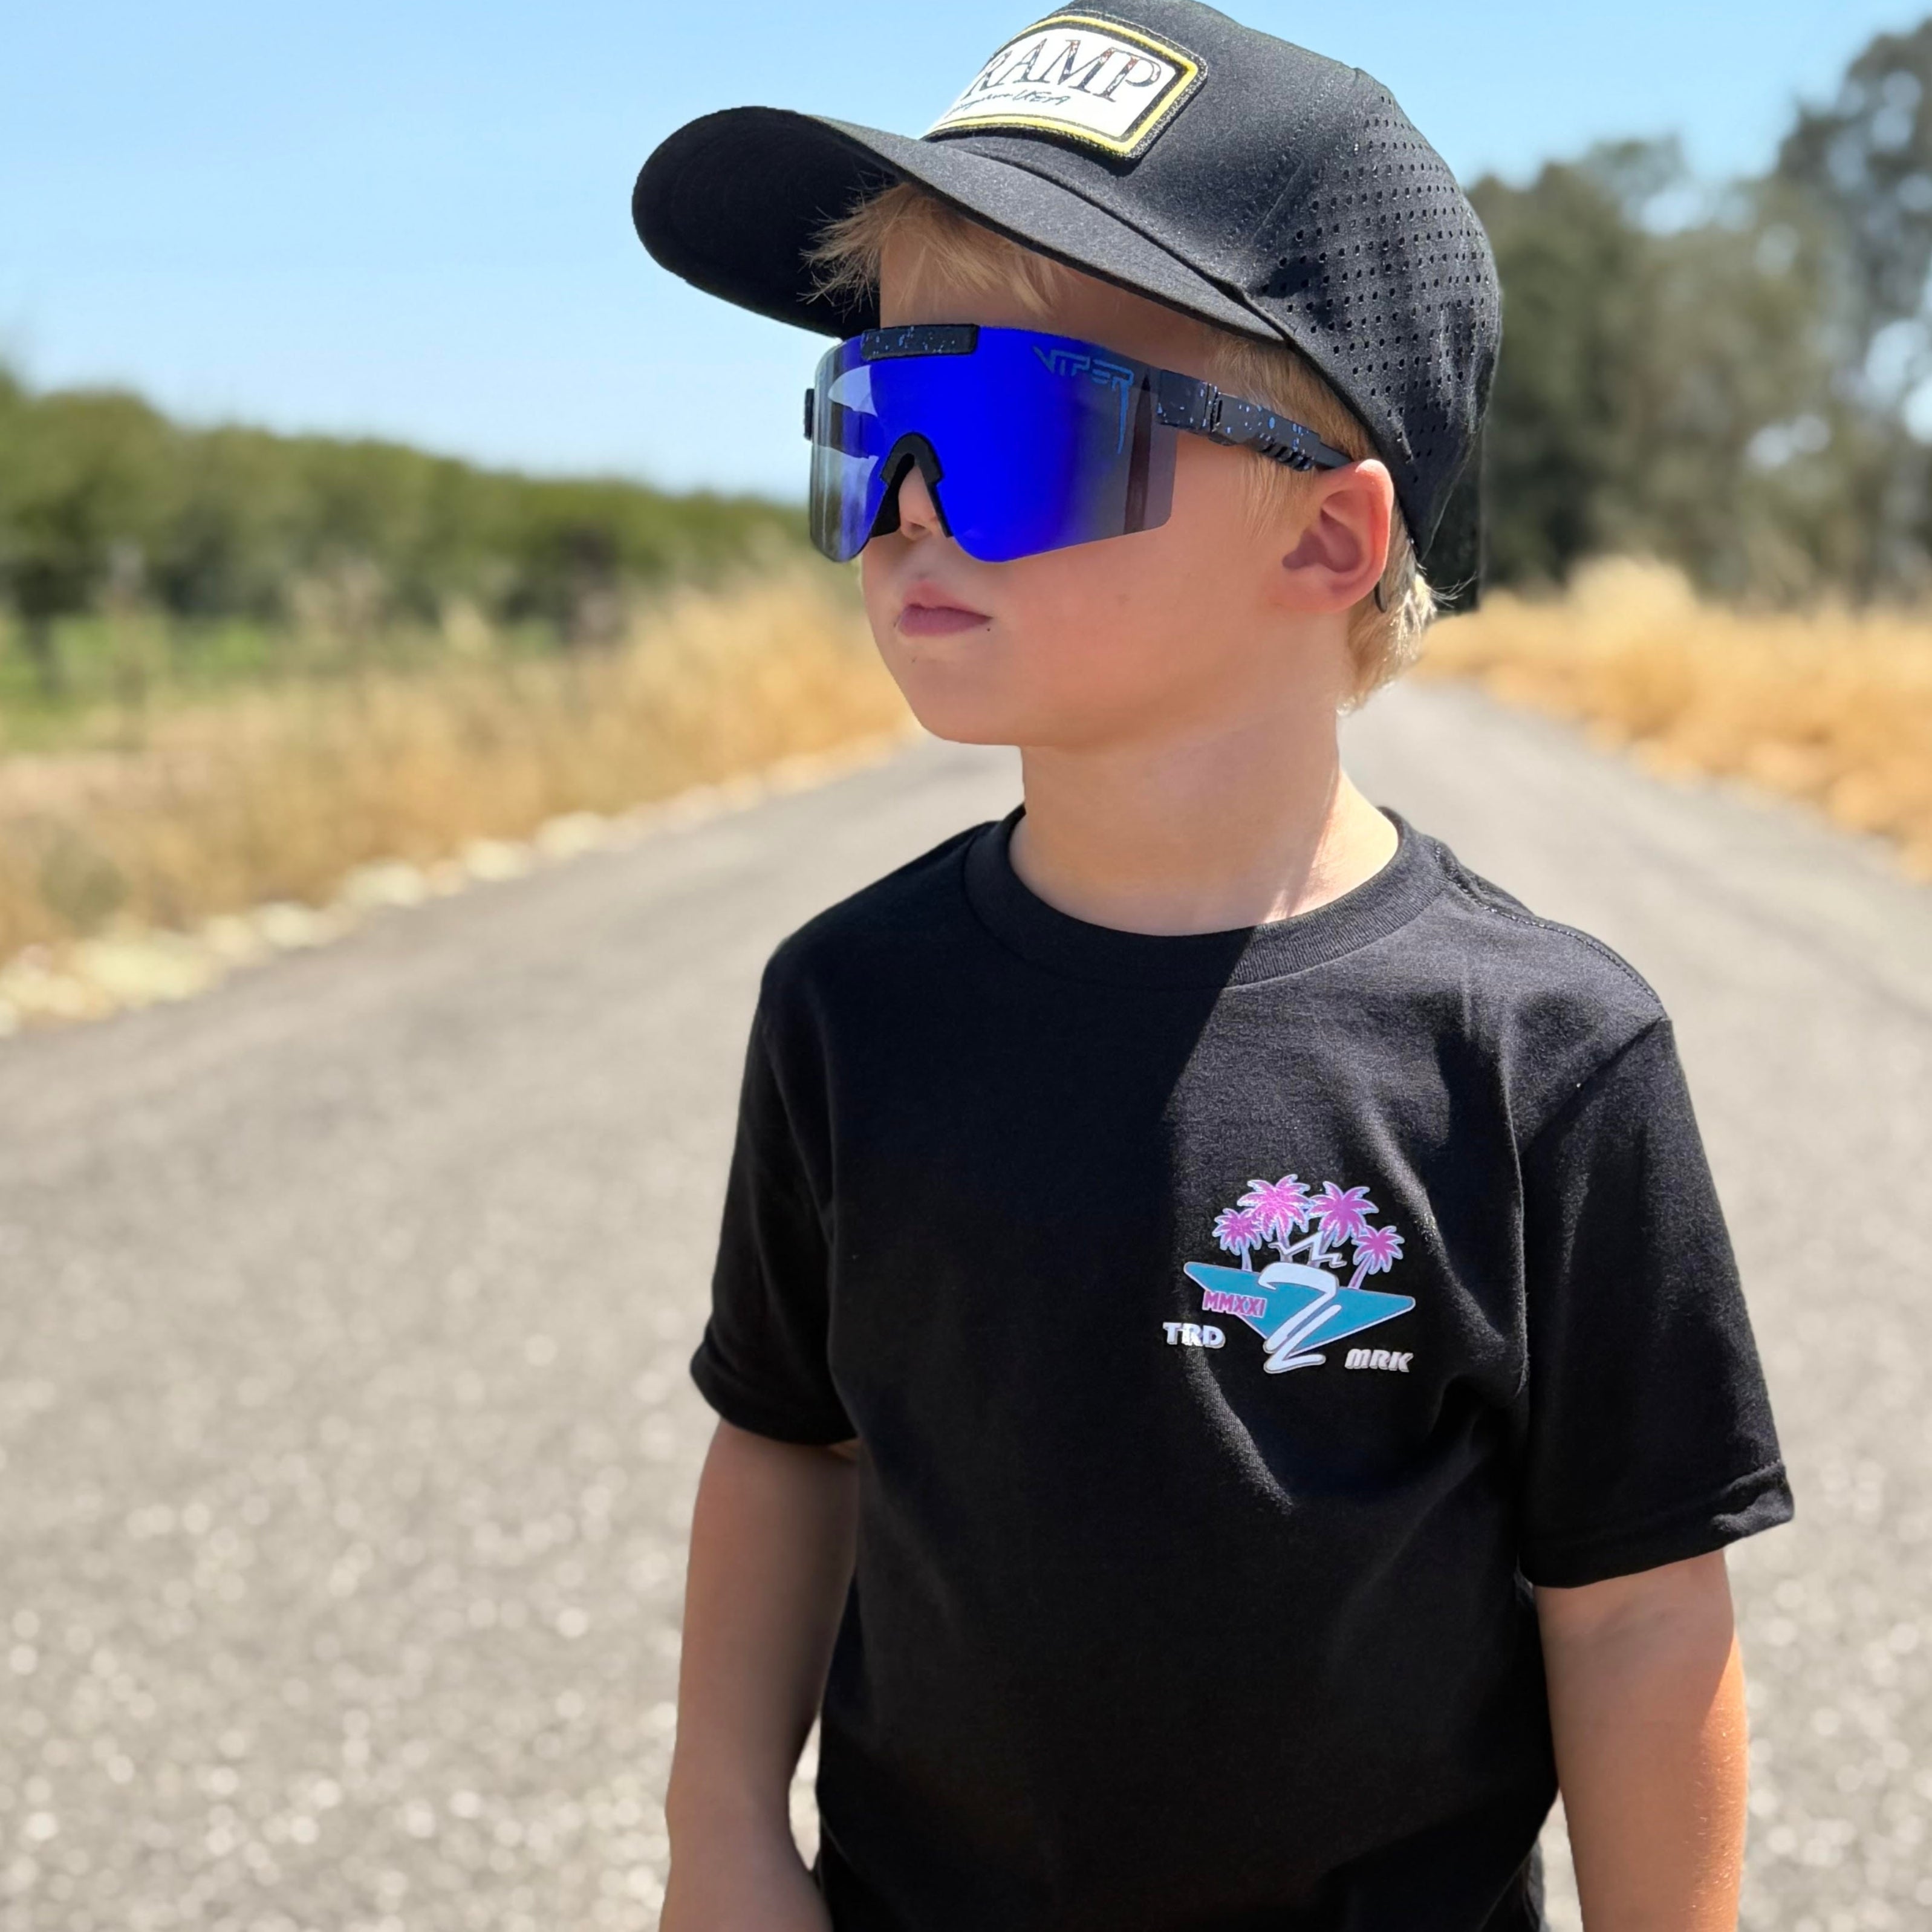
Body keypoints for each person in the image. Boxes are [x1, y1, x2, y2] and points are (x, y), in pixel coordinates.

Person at [631, 5, 1795, 1928]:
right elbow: (786, 1442)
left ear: (1328, 535)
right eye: (875, 423)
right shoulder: (851, 998)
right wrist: (723, 1837)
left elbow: (1640, 1602)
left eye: (1004, 432)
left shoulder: (1540, 1053)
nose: (910, 506)